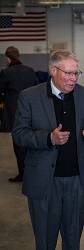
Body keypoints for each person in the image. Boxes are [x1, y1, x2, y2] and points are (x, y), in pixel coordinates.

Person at [12, 49, 84, 250]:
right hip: (44, 182)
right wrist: (48, 138)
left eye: (76, 73)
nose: (73, 79)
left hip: (77, 181)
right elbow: (18, 134)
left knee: (73, 241)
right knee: (45, 242)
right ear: (53, 70)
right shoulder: (29, 97)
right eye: (68, 73)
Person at [0, 46, 38, 182]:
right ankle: (31, 170)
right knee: (30, 141)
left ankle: (23, 173)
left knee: (18, 143)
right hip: (31, 111)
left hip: (13, 113)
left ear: (7, 58)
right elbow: (37, 88)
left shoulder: (6, 73)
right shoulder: (30, 71)